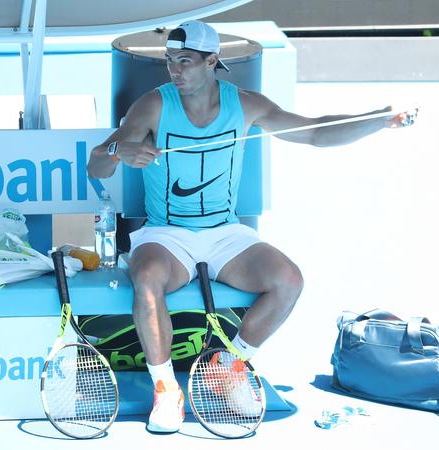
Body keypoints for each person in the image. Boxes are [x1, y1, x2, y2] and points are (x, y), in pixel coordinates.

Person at [87, 20, 417, 433]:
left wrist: (379, 119)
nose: (175, 70)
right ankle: (166, 389)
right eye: (171, 61)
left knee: (289, 280)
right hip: (167, 232)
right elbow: (96, 164)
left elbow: (315, 132)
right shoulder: (153, 105)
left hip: (226, 232)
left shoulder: (245, 104)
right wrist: (119, 150)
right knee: (147, 276)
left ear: (212, 61)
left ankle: (228, 366)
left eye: (186, 61)